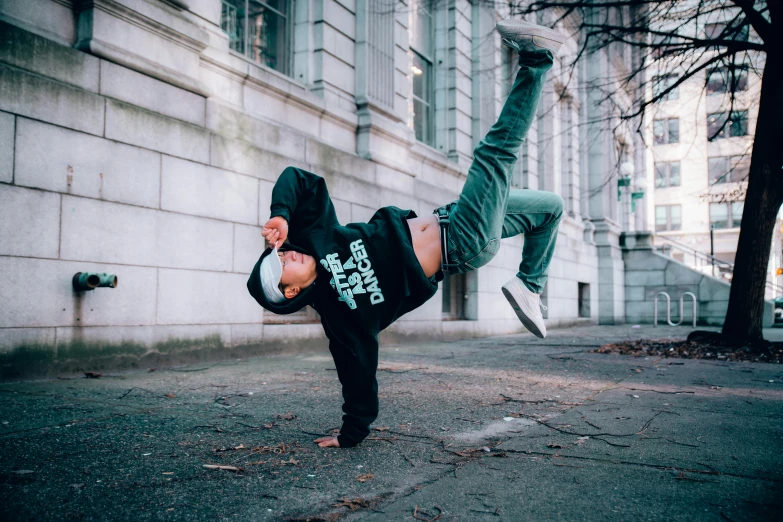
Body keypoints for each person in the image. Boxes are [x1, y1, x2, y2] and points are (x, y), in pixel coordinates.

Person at [247, 19, 565, 449]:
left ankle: (529, 285)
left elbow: (300, 180)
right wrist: (350, 434)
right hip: (462, 243)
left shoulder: (317, 239)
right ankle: (536, 59)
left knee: (549, 209)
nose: (289, 257)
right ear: (290, 293)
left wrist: (281, 215)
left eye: (282, 254)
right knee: (495, 154)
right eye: (283, 268)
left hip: (449, 216)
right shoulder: (342, 319)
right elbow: (357, 374)